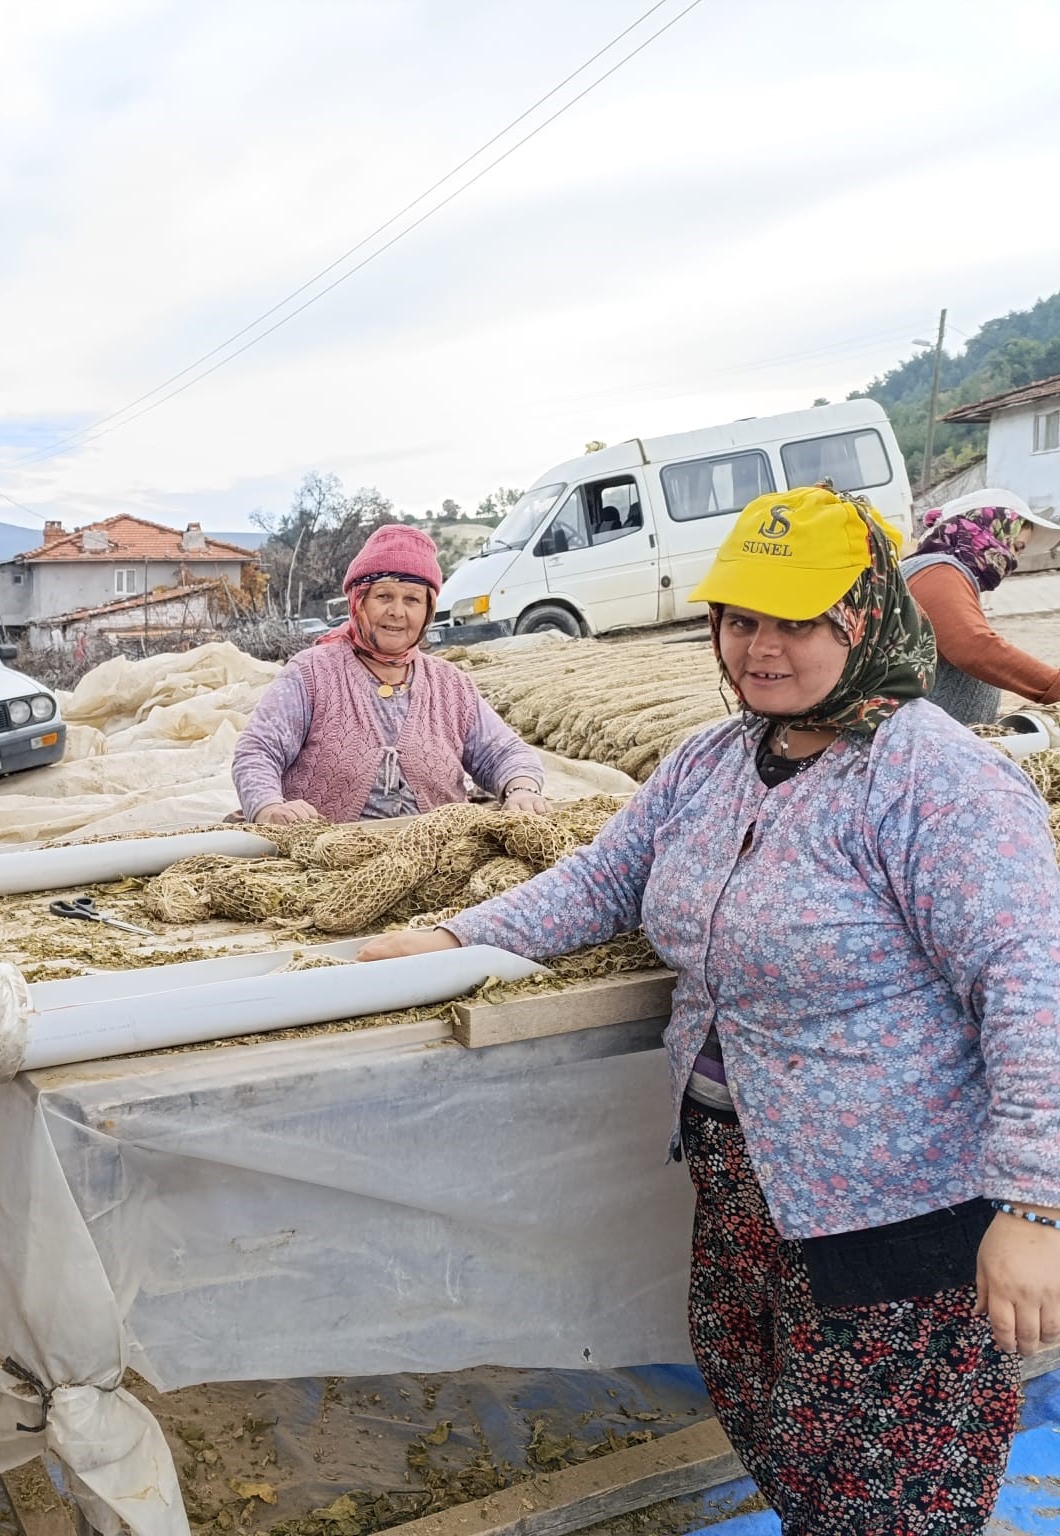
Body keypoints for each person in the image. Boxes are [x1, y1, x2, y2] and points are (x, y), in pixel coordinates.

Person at [361, 485, 1060, 1533]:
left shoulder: (939, 783)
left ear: (864, 618)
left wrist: (1034, 1207)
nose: (758, 649)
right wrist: (457, 938)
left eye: (795, 621)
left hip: (895, 1213)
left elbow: (1032, 985)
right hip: (744, 1187)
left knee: (889, 1485)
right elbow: (605, 878)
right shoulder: (712, 761)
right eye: (739, 619)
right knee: (776, 1421)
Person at [232, 523, 548, 825]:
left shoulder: (451, 685)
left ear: (428, 610)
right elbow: (258, 751)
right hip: (328, 851)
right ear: (358, 602)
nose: (397, 612)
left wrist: (522, 789)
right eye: (384, 596)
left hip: (441, 850)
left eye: (412, 599)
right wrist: (269, 807)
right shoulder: (311, 673)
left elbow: (504, 753)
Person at [902, 487, 1060, 724]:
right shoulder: (936, 572)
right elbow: (974, 646)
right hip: (924, 738)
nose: (1014, 560)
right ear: (987, 530)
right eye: (1016, 546)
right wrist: (1054, 685)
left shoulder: (943, 571)